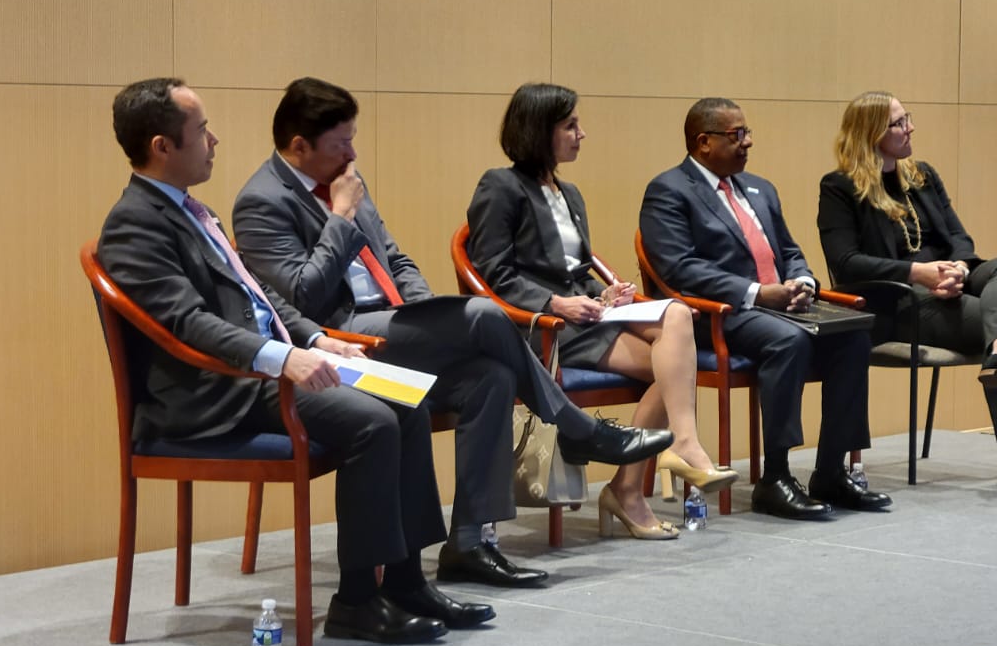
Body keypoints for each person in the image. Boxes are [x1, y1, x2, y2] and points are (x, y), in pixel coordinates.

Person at [98, 78, 493, 644]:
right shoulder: (135, 222)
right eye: (202, 130)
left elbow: (257, 293)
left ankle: (406, 582)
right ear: (162, 146)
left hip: (261, 371)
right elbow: (187, 323)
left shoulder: (189, 209)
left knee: (406, 402)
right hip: (217, 392)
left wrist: (314, 339)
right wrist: (284, 358)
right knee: (372, 422)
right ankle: (357, 601)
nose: (214, 139)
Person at [231, 77, 673, 582]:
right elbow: (300, 297)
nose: (352, 154)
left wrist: (426, 312)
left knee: (491, 376)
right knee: (483, 313)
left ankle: (468, 543)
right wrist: (341, 216)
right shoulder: (262, 201)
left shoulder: (343, 177)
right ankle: (578, 430)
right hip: (340, 337)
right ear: (299, 146)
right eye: (341, 144)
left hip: (395, 324)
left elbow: (394, 258)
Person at [467, 83, 737, 540]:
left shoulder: (570, 193)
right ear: (539, 131)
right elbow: (495, 274)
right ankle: (664, 464)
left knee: (676, 322)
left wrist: (606, 293)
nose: (582, 134)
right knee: (674, 362)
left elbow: (576, 270)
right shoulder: (501, 186)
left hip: (586, 320)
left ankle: (641, 477)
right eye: (570, 126)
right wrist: (554, 303)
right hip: (542, 328)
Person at [639, 97, 891, 520]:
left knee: (852, 336)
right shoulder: (669, 190)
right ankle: (775, 478)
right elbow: (679, 268)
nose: (748, 142)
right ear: (703, 142)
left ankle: (831, 471)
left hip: (780, 306)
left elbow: (789, 250)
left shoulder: (759, 188)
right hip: (719, 316)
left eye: (747, 132)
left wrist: (802, 282)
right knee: (788, 342)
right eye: (736, 134)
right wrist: (756, 292)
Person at [818, 91, 997, 492]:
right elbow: (846, 263)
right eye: (899, 123)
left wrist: (959, 270)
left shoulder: (922, 176)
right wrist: (920, 274)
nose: (910, 127)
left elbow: (959, 238)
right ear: (871, 132)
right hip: (897, 300)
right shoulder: (840, 187)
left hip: (948, 280)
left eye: (907, 118)